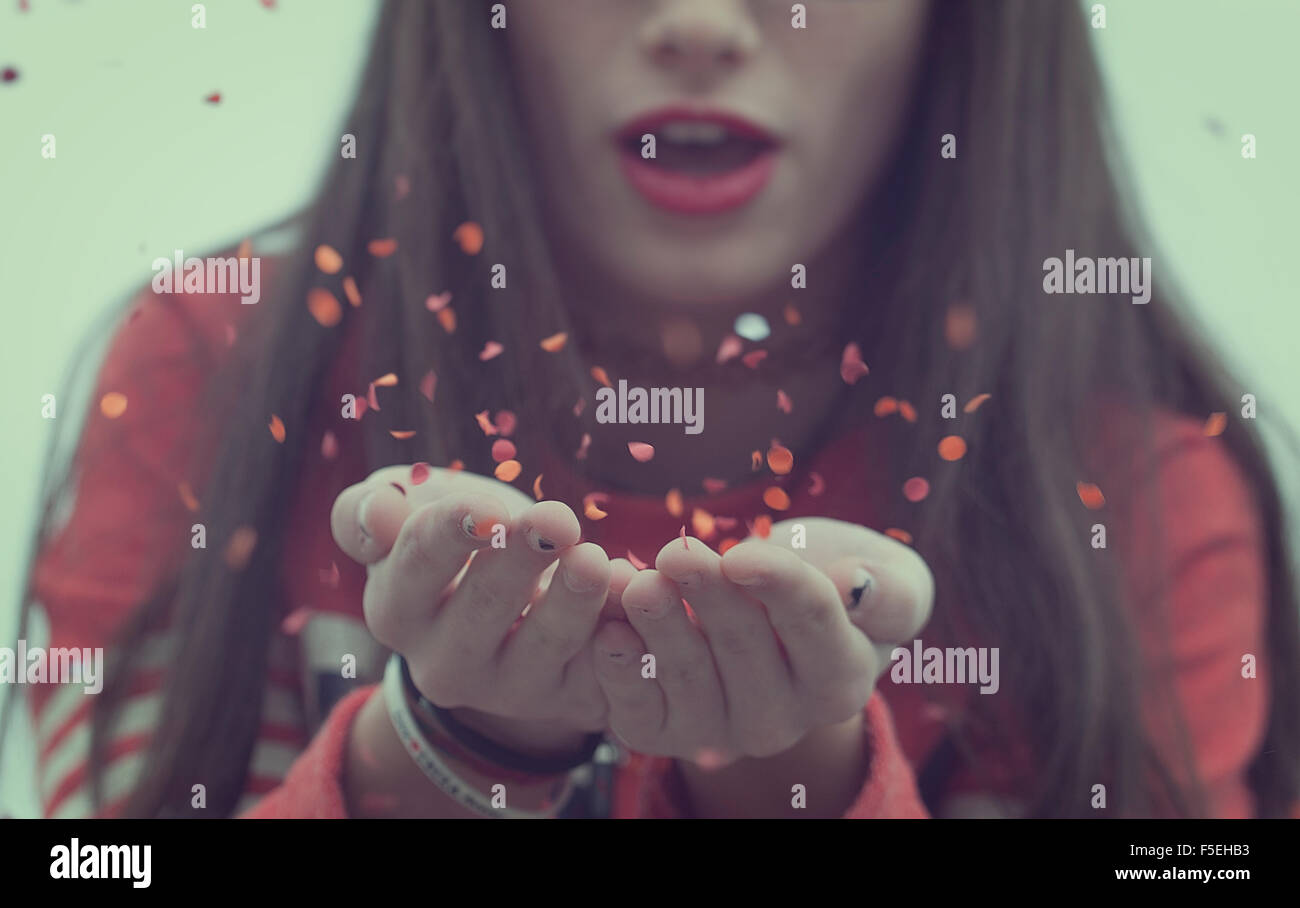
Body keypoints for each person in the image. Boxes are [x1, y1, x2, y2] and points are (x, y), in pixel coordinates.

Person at [20, 0, 1299, 819]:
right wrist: (448, 752)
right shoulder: (223, 362)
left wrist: (791, 785)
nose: (697, 24)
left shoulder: (1129, 486)